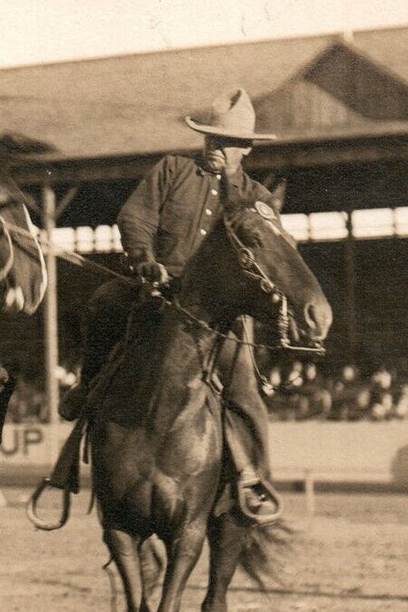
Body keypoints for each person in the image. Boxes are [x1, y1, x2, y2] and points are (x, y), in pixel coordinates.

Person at [57, 88, 284, 523]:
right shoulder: (173, 169)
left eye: (226, 142)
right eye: (211, 138)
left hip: (218, 316)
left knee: (245, 393)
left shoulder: (256, 198)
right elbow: (136, 217)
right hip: (154, 292)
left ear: (245, 149)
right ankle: (87, 387)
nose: (215, 148)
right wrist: (144, 260)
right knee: (104, 302)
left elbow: (268, 254)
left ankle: (256, 479)